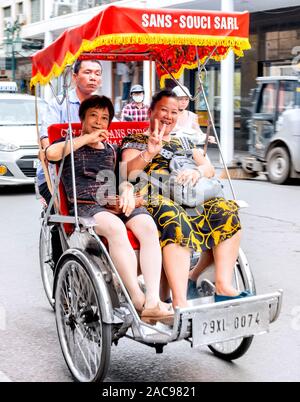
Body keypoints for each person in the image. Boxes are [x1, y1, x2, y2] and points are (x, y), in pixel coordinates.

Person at [46, 95, 173, 320]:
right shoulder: (68, 144)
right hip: (86, 207)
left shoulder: (111, 150)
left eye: (104, 118)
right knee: (116, 227)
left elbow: (122, 177)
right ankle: (136, 297)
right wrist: (86, 138)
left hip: (113, 200)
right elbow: (51, 155)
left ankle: (153, 300)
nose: (98, 121)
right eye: (93, 115)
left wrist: (125, 190)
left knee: (147, 225)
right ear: (82, 118)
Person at [121, 90, 244, 308]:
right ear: (151, 112)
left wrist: (198, 172)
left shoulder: (184, 142)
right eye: (164, 110)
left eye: (174, 112)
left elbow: (208, 167)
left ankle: (223, 285)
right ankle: (179, 300)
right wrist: (149, 152)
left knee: (225, 209)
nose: (169, 116)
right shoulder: (136, 140)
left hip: (189, 194)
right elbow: (127, 173)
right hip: (154, 196)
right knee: (173, 217)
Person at [36, 59, 103, 264]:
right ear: (75, 77)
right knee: (62, 215)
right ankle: (61, 272)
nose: (93, 77)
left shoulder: (102, 105)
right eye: (88, 72)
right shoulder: (57, 106)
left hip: (92, 174)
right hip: (57, 176)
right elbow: (48, 148)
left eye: (98, 73)